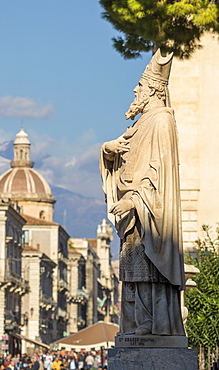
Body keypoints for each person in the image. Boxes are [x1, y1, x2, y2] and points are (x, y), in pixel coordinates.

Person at [100, 49, 185, 336]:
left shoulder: (161, 121)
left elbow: (159, 176)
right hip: (134, 217)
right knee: (134, 272)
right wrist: (108, 151)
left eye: (141, 86)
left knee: (148, 270)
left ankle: (153, 324)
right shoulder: (139, 125)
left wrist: (134, 200)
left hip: (147, 213)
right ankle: (138, 323)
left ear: (154, 90)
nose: (135, 90)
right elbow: (126, 159)